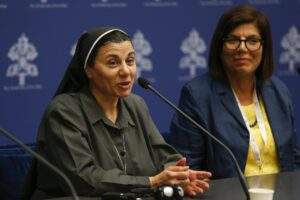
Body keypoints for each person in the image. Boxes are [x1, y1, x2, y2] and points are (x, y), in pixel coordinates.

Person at [30, 27, 211, 199]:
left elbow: (164, 155)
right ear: (89, 70)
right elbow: (83, 179)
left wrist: (178, 175)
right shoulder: (64, 111)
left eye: (130, 61)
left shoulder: (136, 104)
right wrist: (153, 182)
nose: (126, 71)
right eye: (113, 62)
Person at [170, 4, 300, 179]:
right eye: (233, 40)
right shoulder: (197, 96)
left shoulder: (278, 91)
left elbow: (293, 158)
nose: (242, 48)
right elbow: (188, 172)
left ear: (264, 47)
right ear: (220, 46)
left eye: (252, 41)